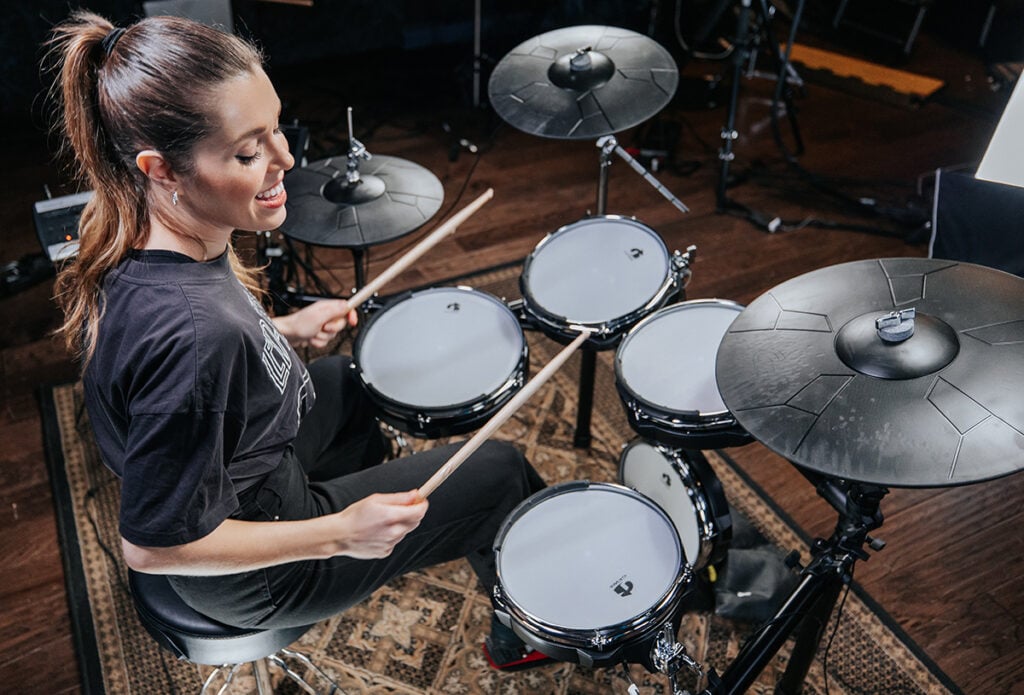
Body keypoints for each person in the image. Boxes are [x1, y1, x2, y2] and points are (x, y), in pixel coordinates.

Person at [46, 10, 549, 671]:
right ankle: (522, 636)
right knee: (502, 472)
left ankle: (365, 518)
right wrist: (340, 532)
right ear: (160, 167)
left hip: (248, 472)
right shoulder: (201, 337)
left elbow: (166, 378)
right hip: (245, 574)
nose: (285, 159)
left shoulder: (129, 224)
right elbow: (151, 545)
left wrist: (280, 329)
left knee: (345, 378)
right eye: (247, 153)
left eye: (274, 129)